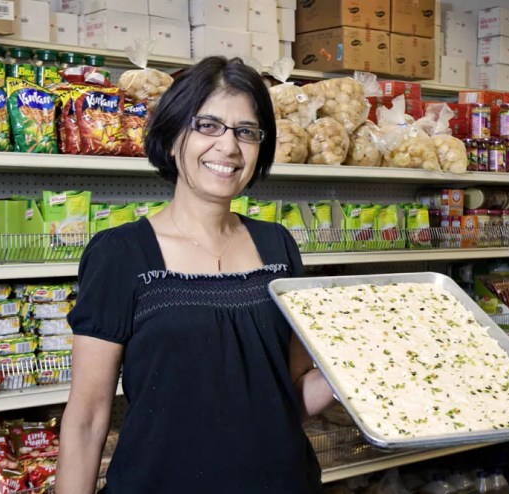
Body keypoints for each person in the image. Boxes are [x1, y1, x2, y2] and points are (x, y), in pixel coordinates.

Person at [56, 56, 335, 493]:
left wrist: (363, 362)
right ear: (171, 138)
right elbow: (87, 418)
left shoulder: (278, 245)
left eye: (246, 132)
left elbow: (291, 397)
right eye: (208, 126)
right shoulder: (121, 254)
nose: (229, 147)